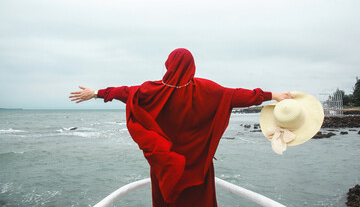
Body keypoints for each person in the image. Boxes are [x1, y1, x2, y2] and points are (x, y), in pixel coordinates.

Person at [69, 48, 292, 207]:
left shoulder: (151, 90)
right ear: (192, 66)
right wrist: (273, 95)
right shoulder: (207, 89)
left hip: (166, 167)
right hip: (197, 167)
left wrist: (96, 93)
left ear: (168, 65)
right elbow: (239, 95)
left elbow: (124, 92)